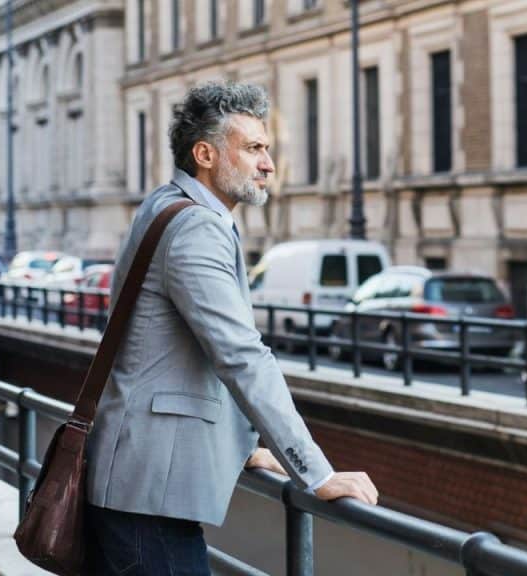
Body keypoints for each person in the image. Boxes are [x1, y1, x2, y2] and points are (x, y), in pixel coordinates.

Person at [85, 81, 378, 574]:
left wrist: (244, 449)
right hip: (151, 497)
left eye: (268, 149)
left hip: (139, 482)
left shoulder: (163, 205)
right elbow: (242, 357)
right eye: (253, 149)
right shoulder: (197, 227)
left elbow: (166, 354)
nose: (268, 164)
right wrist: (314, 473)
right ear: (205, 154)